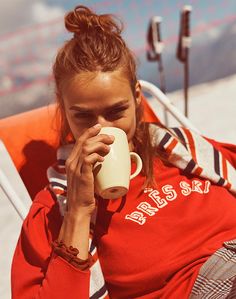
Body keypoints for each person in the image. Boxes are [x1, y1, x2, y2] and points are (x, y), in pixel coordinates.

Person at [11, 5, 236, 299]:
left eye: (116, 111)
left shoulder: (182, 151)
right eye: (83, 116)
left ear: (137, 98)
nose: (101, 128)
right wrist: (79, 211)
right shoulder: (56, 208)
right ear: (64, 111)